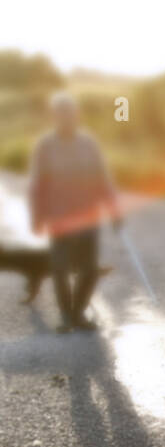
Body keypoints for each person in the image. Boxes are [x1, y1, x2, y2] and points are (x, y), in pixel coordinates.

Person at [29, 92, 121, 332]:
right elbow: (38, 184)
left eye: (70, 113)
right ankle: (66, 316)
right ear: (55, 116)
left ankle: (78, 313)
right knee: (60, 269)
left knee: (89, 270)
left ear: (76, 115)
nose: (67, 118)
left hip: (88, 216)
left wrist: (114, 210)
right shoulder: (46, 146)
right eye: (61, 113)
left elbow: (102, 179)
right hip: (60, 217)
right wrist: (38, 216)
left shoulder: (88, 144)